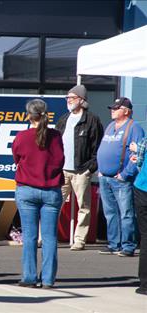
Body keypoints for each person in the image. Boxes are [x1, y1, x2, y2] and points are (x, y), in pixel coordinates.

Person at [12, 99, 65, 288]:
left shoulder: (22, 136)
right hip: (51, 190)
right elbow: (60, 160)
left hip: (27, 189)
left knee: (30, 236)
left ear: (29, 115)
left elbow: (16, 157)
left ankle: (29, 277)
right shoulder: (56, 137)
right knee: (50, 237)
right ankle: (49, 279)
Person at [55, 85, 103, 251]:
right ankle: (46, 237)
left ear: (81, 100)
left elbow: (98, 147)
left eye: (72, 97)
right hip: (62, 171)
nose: (68, 100)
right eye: (67, 97)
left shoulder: (92, 120)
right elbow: (55, 145)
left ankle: (79, 240)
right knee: (54, 204)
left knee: (84, 206)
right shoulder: (63, 119)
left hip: (82, 171)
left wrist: (90, 168)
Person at [97, 97, 144, 257]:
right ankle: (113, 243)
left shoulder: (134, 128)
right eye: (113, 108)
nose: (113, 110)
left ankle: (128, 245)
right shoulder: (110, 126)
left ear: (126, 111)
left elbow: (137, 155)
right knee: (110, 213)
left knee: (126, 213)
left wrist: (125, 174)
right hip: (105, 177)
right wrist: (101, 170)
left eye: (116, 108)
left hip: (121, 179)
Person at [129, 140, 147, 295]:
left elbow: (140, 162)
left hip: (142, 188)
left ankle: (145, 283)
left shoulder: (145, 140)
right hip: (142, 187)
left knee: (146, 236)